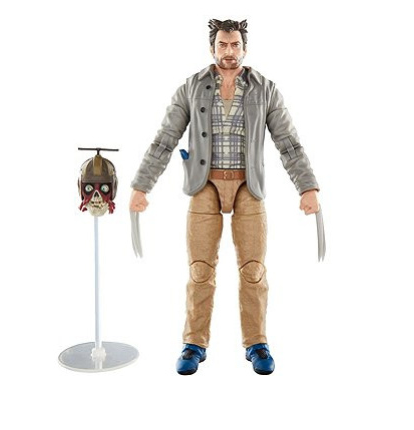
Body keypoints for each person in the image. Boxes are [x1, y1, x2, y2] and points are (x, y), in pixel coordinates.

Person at [130, 19, 320, 375]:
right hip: (205, 185)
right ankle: (193, 343)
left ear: (244, 48)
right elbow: (165, 138)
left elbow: (288, 141)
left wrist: (307, 186)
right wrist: (142, 185)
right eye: (222, 45)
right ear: (212, 48)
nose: (229, 51)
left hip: (249, 185)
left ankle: (257, 342)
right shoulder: (191, 87)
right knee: (200, 269)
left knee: (253, 269)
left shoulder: (265, 89)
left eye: (235, 45)